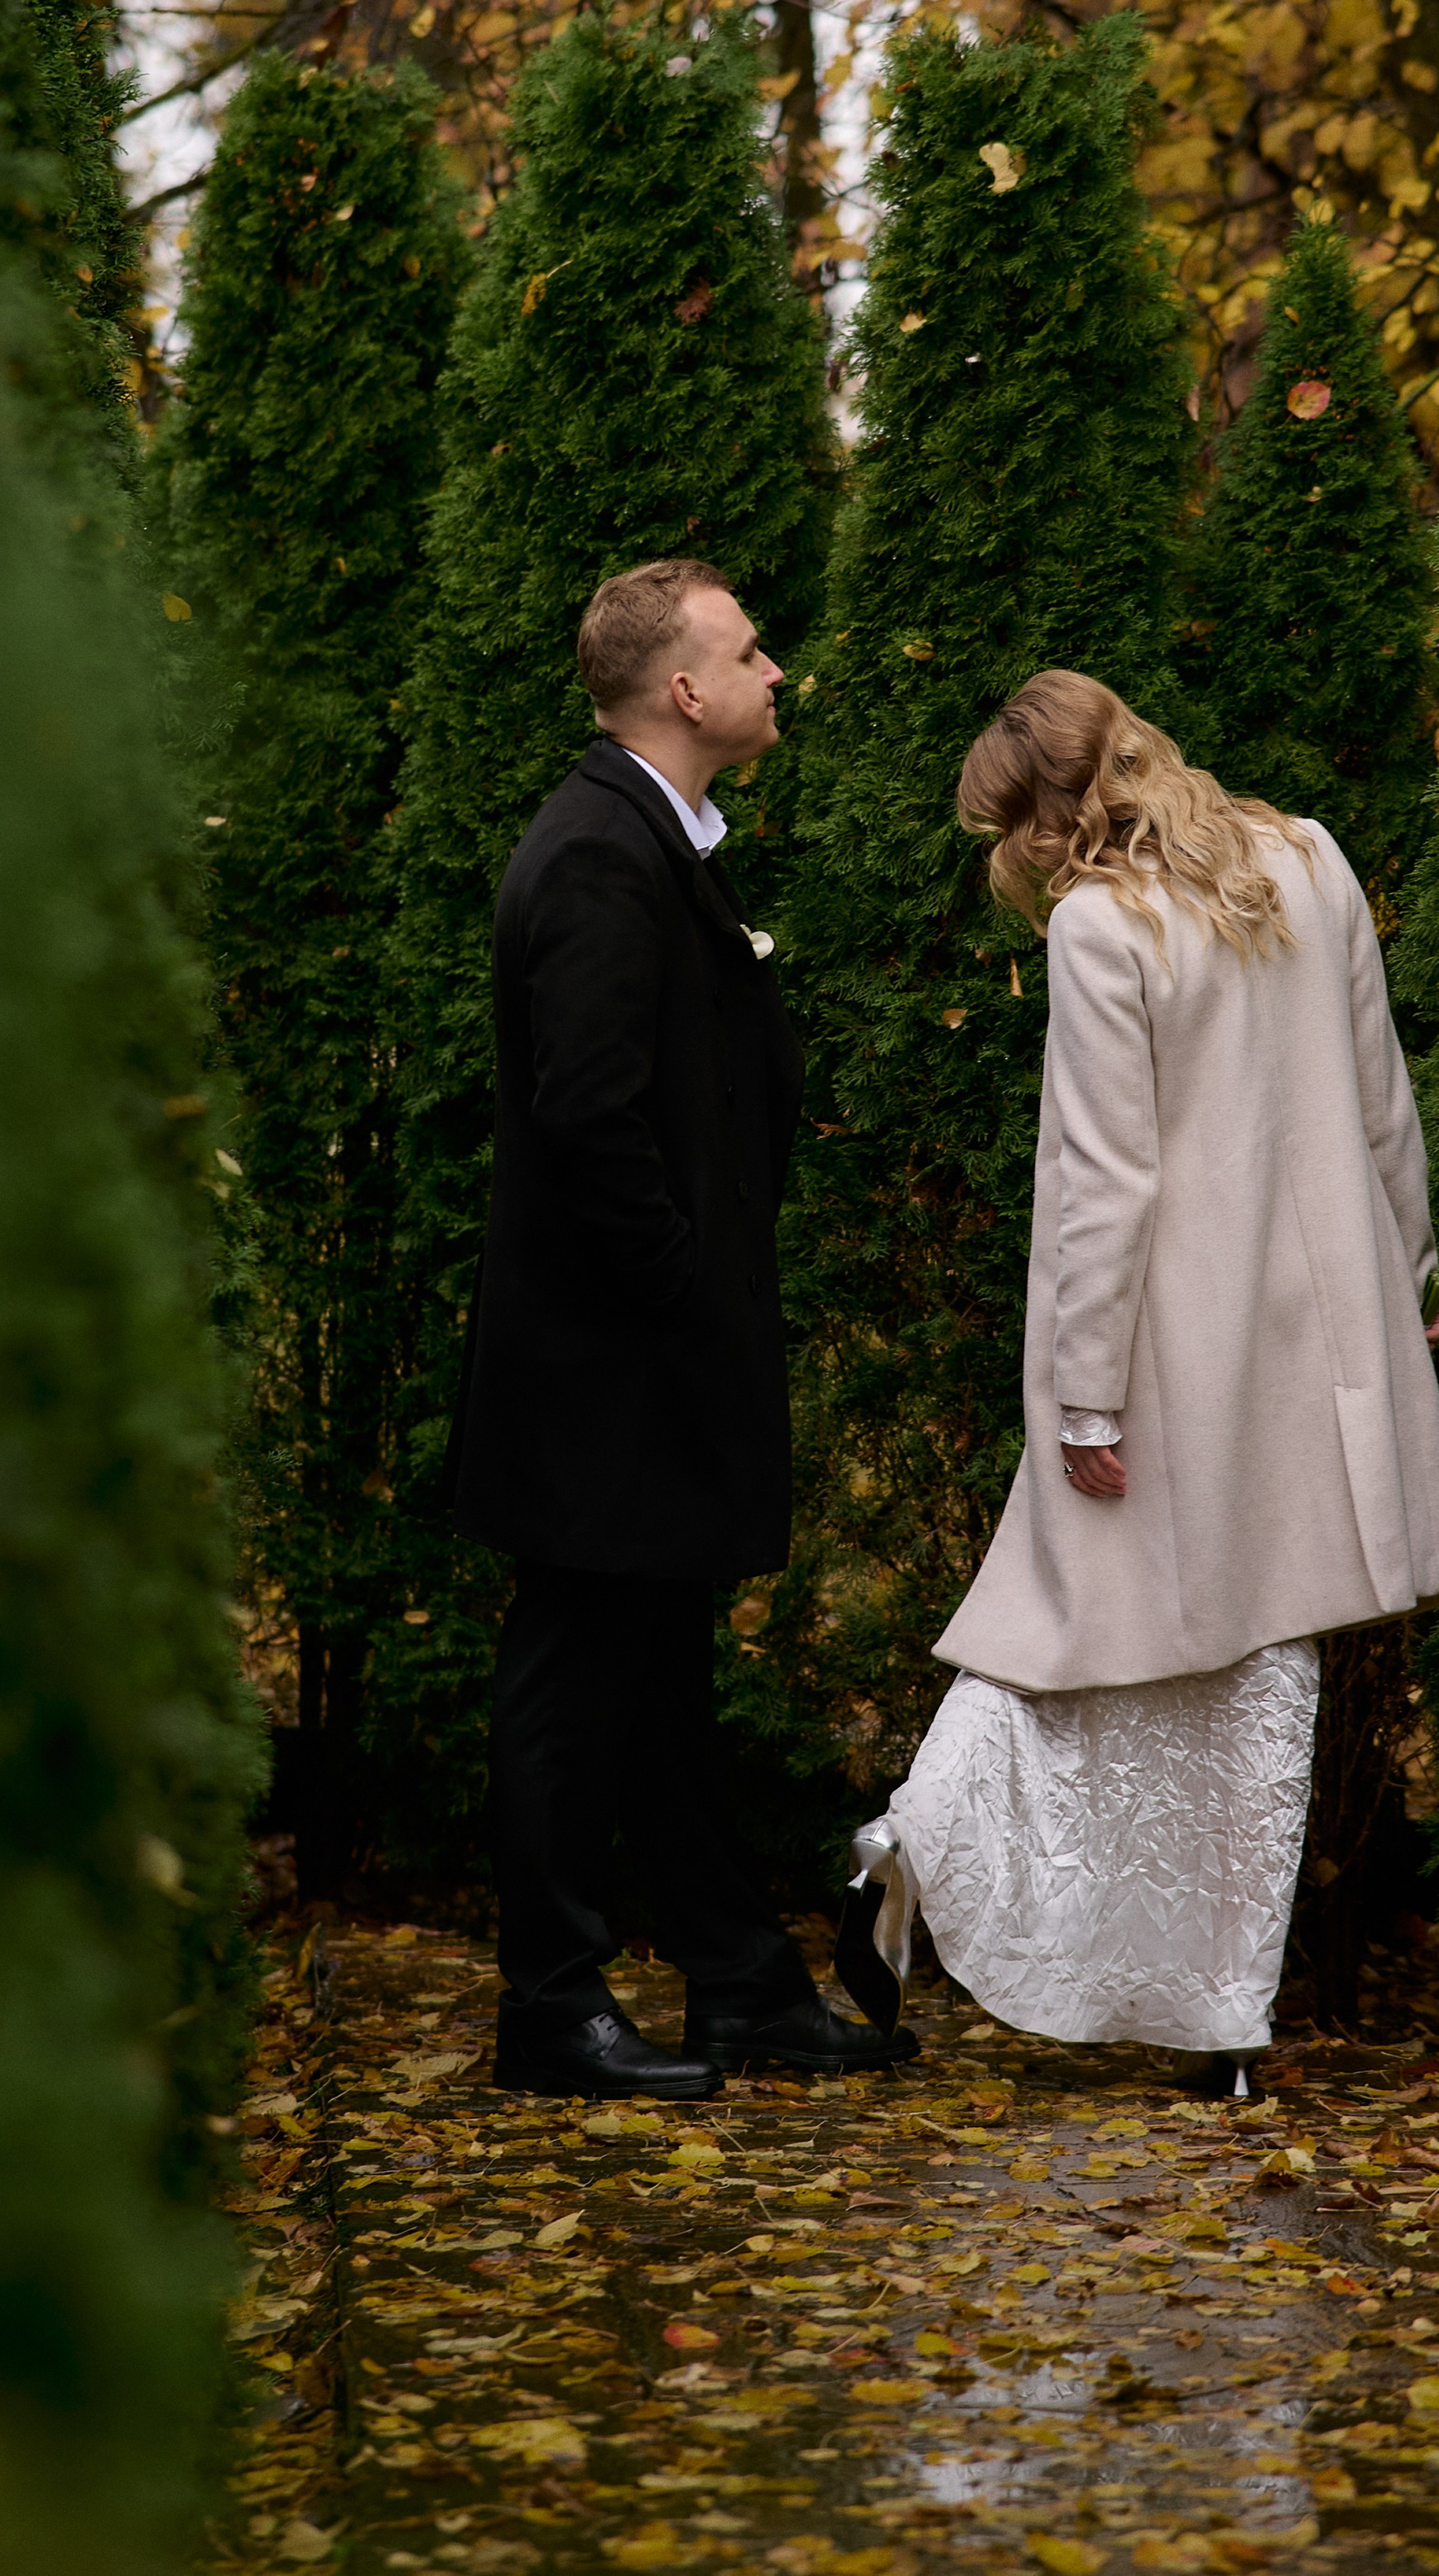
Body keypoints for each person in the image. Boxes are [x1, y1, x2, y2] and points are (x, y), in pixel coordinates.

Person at [837, 670, 1439, 2089]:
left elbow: (1102, 1181)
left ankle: (922, 1854)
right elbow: (1386, 1103)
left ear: (1041, 819)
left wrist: (1081, 1396)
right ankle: (1218, 2017)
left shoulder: (1096, 923)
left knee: (1083, 1630)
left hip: (1167, 1355)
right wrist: (1411, 1277)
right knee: (1251, 1664)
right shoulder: (1308, 855)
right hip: (1316, 1346)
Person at [454, 556, 919, 2099]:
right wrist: (678, 1294)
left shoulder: (656, 838)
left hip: (637, 1357)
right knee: (575, 1673)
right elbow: (589, 1119)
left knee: (655, 1676)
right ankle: (550, 2005)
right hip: (609, 1365)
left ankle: (740, 1985)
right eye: (750, 648)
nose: (778, 669)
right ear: (684, 689)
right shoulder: (601, 852)